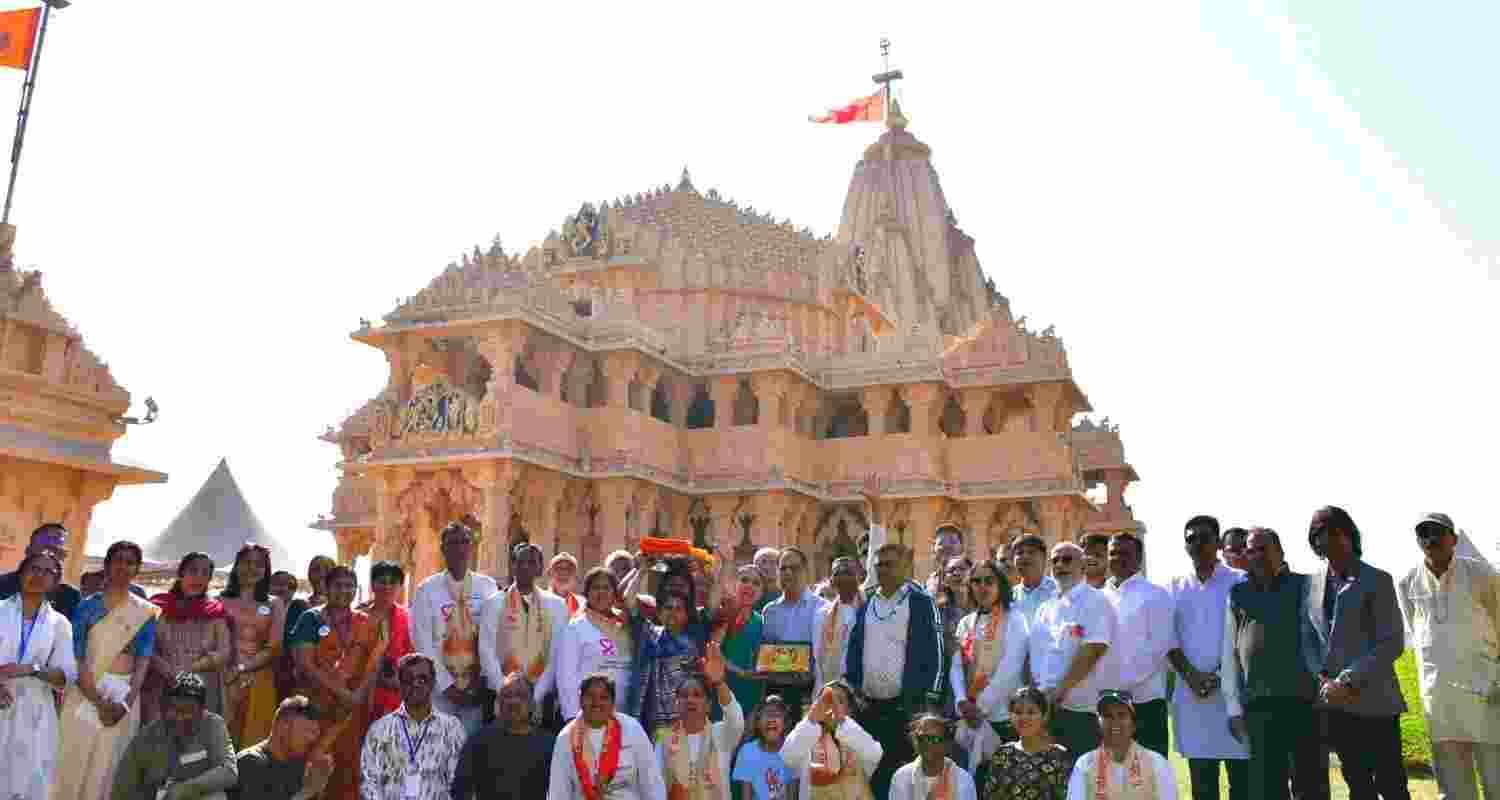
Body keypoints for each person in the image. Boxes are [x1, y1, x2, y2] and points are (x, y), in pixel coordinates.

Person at [845, 476, 944, 800]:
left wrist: (927, 697)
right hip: (868, 706)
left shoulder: (918, 601)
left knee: (904, 775)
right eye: (879, 564)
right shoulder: (868, 601)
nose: (883, 569)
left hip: (906, 706)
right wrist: (854, 685)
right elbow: (854, 648)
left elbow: (936, 652)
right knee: (871, 772)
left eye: (890, 564)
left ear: (906, 566)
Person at [1303, 506, 1411, 800]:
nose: (1328, 539)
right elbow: (1308, 639)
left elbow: (1391, 642)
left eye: (1335, 531)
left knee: (1391, 784)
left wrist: (1347, 681)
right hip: (1335, 705)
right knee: (1357, 785)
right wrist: (1325, 680)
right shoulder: (1311, 585)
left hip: (1375, 701)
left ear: (1350, 534)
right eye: (1320, 534)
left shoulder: (1378, 579)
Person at [1397, 512, 1500, 800]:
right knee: (1454, 789)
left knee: (1497, 780)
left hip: (1486, 694)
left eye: (1437, 532)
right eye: (1423, 533)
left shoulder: (1483, 575)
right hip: (1440, 698)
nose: (1430, 539)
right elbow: (1419, 638)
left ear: (1453, 538)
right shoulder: (1407, 582)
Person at [1220, 527, 1323, 800]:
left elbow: (1325, 642)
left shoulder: (1307, 586)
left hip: (1304, 705)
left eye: (1263, 549)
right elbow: (1229, 653)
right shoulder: (1237, 594)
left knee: (1310, 787)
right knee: (1267, 790)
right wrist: (1233, 708)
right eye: (1250, 550)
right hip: (1259, 707)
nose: (1256, 556)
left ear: (1280, 552)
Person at [53, 540, 160, 800]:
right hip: (85, 691)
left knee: (108, 765)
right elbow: (77, 656)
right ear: (107, 565)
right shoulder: (87, 606)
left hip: (123, 695)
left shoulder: (144, 612)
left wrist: (126, 702)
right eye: (118, 560)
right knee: (73, 760)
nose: (123, 566)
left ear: (137, 569)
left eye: (130, 562)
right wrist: (97, 700)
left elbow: (144, 659)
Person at [1165, 515, 1249, 800]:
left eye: (1204, 537)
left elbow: (1246, 636)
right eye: (1191, 539)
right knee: (1203, 788)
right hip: (1192, 699)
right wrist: (1190, 675)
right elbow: (1167, 638)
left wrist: (1219, 675)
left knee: (1243, 787)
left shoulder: (1240, 581)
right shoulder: (1175, 586)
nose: (1197, 544)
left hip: (1233, 698)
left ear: (1217, 542)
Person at [289, 564, 387, 800]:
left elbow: (374, 665)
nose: (344, 591)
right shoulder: (310, 618)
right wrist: (344, 694)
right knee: (314, 767)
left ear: (356, 589)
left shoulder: (367, 622)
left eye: (349, 586)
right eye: (337, 586)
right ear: (326, 587)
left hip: (353, 711)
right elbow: (305, 664)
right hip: (316, 708)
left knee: (349, 770)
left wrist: (358, 696)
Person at [1030, 540, 1119, 759]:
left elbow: (1093, 650)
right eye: (1055, 561)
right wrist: (1039, 700)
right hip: (1045, 712)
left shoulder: (1096, 601)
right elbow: (1034, 657)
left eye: (1067, 559)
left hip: (1080, 711)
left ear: (1083, 566)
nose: (1060, 565)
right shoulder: (1045, 608)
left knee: (1082, 784)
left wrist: (1059, 692)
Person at [0, 551, 77, 799]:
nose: (39, 576)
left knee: (25, 782)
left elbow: (65, 676)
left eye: (48, 572)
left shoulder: (60, 624)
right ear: (21, 574)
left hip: (35, 713)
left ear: (56, 582)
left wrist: (31, 669)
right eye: (33, 568)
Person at [410, 521, 498, 734]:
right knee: (440, 748)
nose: (459, 548)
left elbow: (493, 637)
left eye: (464, 542)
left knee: (470, 752)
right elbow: (423, 643)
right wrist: (446, 686)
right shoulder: (426, 590)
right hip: (441, 691)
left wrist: (480, 681)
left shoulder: (487, 586)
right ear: (443, 548)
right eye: (452, 543)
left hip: (476, 688)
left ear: (471, 547)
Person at [111, 671, 237, 800]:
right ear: (162, 707)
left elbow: (229, 772)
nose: (179, 717)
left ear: (202, 710)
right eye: (173, 709)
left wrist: (183, 789)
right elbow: (121, 790)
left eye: (187, 711)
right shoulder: (147, 736)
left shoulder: (213, 725)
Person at [950, 558, 1027, 770]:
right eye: (976, 581)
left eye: (988, 581)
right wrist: (961, 702)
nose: (982, 587)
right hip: (969, 716)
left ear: (1000, 584)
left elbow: (1011, 668)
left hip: (1002, 717)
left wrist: (980, 707)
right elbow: (956, 666)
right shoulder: (966, 622)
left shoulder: (1014, 619)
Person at [359, 653, 467, 800]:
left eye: (423, 679)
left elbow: (460, 784)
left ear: (433, 683)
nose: (416, 684)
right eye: (408, 679)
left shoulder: (452, 728)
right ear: (400, 684)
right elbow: (369, 783)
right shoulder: (379, 730)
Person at [1103, 533, 1173, 757]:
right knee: (1113, 774)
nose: (1118, 558)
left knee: (1151, 773)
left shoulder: (1156, 594)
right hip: (1107, 701)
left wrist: (1122, 685)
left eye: (1125, 553)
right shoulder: (1098, 597)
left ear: (1139, 557)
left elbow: (1158, 648)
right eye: (1113, 553)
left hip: (1146, 700)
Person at [547, 672, 666, 800]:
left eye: (603, 697)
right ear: (580, 700)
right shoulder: (566, 737)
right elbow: (558, 792)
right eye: (590, 696)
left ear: (613, 702)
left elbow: (652, 784)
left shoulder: (632, 729)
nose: (596, 703)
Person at [480, 542, 568, 712]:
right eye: (520, 562)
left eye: (531, 562)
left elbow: (556, 654)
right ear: (512, 566)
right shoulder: (494, 603)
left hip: (541, 695)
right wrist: (505, 691)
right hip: (501, 694)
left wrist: (536, 696)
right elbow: (486, 651)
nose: (525, 567)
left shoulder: (557, 605)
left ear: (540, 568)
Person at [146, 552, 232, 725]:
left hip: (202, 689)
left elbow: (224, 652)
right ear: (181, 573)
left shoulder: (216, 611)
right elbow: (145, 647)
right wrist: (168, 671)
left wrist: (189, 669)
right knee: (159, 741)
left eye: (205, 573)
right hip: (162, 686)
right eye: (193, 570)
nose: (198, 577)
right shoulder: (156, 607)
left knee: (196, 746)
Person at [221, 543, 289, 749]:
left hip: (259, 677)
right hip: (223, 677)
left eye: (258, 564)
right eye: (246, 563)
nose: (252, 568)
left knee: (253, 742)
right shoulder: (218, 601)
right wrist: (229, 671)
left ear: (266, 570)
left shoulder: (274, 603)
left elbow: (274, 646)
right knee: (221, 740)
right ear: (236, 566)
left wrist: (242, 668)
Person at [452, 672, 555, 800]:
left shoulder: (549, 745)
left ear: (532, 704)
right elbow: (460, 791)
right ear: (499, 703)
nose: (513, 701)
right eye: (507, 696)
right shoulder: (478, 742)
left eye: (521, 696)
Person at [653, 660, 743, 800]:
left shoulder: (721, 734)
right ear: (676, 704)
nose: (690, 700)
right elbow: (656, 785)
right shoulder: (664, 738)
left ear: (708, 705)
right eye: (684, 696)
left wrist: (719, 683)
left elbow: (735, 717)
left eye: (697, 695)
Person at [781, 680, 883, 800]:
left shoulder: (857, 739)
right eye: (825, 701)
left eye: (839, 701)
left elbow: (874, 754)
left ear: (850, 709)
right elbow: (786, 758)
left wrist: (842, 721)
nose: (832, 706)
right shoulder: (806, 740)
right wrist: (811, 720)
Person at [1065, 690, 1176, 800]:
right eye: (1107, 716)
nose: (1115, 721)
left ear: (1134, 725)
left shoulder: (1156, 763)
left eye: (1121, 715)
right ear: (1098, 726)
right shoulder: (1084, 764)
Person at [558, 567, 635, 722]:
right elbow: (566, 676)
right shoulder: (576, 627)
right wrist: (572, 716)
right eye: (595, 588)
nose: (601, 593)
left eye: (606, 587)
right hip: (590, 714)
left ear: (615, 593)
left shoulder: (627, 624)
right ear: (586, 593)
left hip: (627, 715)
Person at [231, 695, 334, 800]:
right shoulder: (249, 763)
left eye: (315, 733)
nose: (312, 739)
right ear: (284, 725)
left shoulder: (298, 766)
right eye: (307, 730)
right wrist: (308, 790)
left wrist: (320, 783)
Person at [979, 687, 1071, 800]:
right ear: (1010, 716)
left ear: (1044, 716)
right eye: (1018, 712)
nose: (1024, 717)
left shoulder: (1059, 755)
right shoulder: (1002, 754)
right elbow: (990, 795)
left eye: (1031, 712)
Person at [760, 546, 820, 714]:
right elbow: (766, 652)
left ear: (805, 571)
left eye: (794, 568)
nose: (788, 573)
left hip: (810, 693)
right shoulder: (769, 611)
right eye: (783, 568)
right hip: (775, 692)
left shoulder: (822, 608)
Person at [361, 560, 415, 723]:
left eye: (393, 583)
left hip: (394, 694)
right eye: (382, 582)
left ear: (400, 587)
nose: (387, 587)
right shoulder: (358, 616)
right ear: (372, 584)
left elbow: (413, 658)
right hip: (359, 693)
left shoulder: (409, 619)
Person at [0, 523, 82, 621]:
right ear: (28, 551)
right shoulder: (2, 585)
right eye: (46, 548)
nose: (49, 556)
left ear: (64, 557)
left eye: (57, 551)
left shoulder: (70, 597)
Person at [890, 713, 978, 800]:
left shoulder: (963, 781)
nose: (927, 744)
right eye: (921, 738)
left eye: (934, 739)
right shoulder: (901, 777)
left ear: (946, 744)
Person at [811, 557, 861, 700]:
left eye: (848, 571)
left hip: (860, 691)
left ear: (859, 577)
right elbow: (818, 655)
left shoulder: (868, 609)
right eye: (838, 572)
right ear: (831, 580)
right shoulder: (821, 614)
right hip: (829, 687)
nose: (843, 575)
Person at [721, 564, 767, 714]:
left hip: (754, 696)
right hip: (724, 695)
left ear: (761, 592)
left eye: (756, 583)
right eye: (744, 580)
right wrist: (740, 671)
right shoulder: (724, 615)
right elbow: (713, 651)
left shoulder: (762, 621)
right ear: (735, 584)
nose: (749, 586)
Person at [731, 695, 792, 800]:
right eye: (766, 714)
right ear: (758, 723)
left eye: (777, 714)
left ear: (785, 723)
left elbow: (793, 795)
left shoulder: (793, 750)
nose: (771, 719)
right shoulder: (747, 752)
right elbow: (746, 796)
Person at [1008, 535, 1058, 629]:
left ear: (1044, 559)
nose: (1025, 556)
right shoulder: (1009, 596)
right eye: (1019, 553)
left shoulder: (1059, 591)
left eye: (1031, 552)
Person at [925, 528, 966, 597]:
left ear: (962, 548)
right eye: (941, 542)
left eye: (952, 542)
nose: (946, 545)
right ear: (934, 550)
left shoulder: (971, 576)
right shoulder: (930, 580)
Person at [549, 553, 586, 617]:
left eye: (569, 569)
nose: (564, 573)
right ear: (550, 573)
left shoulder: (582, 603)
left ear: (575, 576)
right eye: (558, 568)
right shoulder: (540, 600)